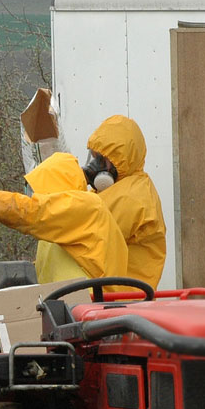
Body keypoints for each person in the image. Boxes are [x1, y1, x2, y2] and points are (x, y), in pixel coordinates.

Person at [0, 151, 127, 284]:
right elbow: (43, 272)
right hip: (73, 315)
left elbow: (31, 211)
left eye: (40, 189)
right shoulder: (62, 228)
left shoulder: (88, 207)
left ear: (55, 185)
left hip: (94, 316)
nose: (35, 196)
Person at [82, 115, 166, 290]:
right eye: (94, 157)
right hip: (115, 296)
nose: (94, 165)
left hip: (123, 300)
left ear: (122, 159)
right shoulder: (115, 191)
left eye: (102, 159)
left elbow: (85, 230)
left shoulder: (132, 196)